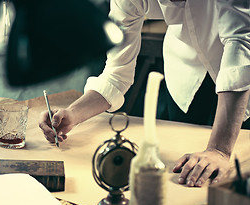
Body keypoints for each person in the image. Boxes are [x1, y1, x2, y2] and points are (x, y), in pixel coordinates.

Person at [39, 0, 250, 187]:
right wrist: (73, 114)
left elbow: (241, 44)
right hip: (186, 81)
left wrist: (219, 150)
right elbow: (117, 73)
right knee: (186, 182)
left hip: (243, 88)